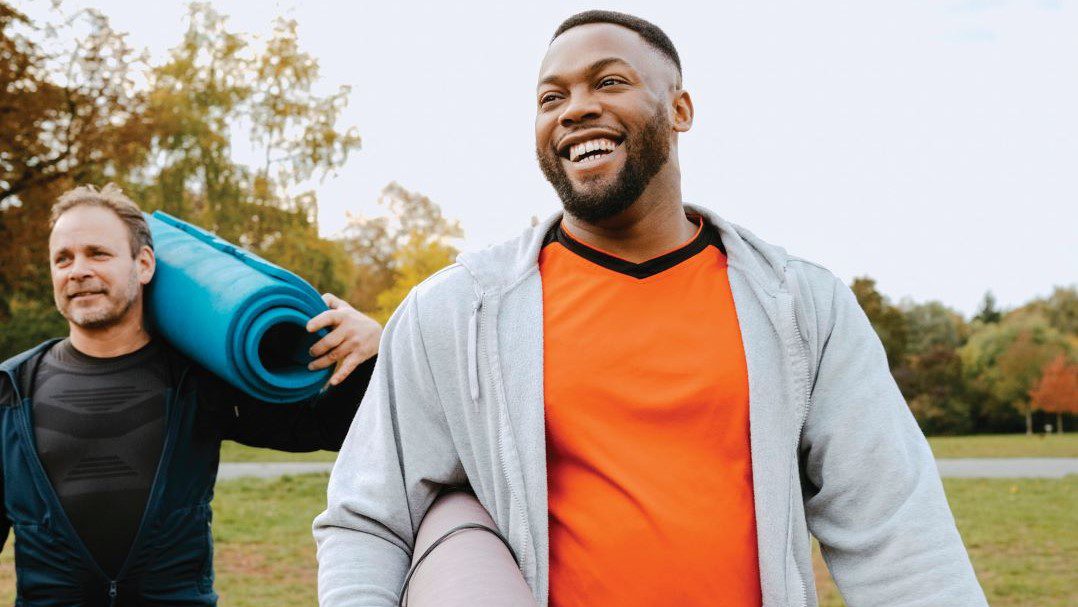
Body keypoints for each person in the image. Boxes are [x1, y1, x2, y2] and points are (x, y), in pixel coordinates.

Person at [315, 10, 987, 607]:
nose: (575, 108)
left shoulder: (802, 306)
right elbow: (370, 518)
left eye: (608, 82)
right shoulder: (455, 312)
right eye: (553, 96)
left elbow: (896, 525)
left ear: (680, 108)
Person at [0, 184, 381, 605]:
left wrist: (369, 351)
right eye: (63, 259)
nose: (78, 270)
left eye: (98, 253)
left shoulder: (198, 380)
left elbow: (323, 428)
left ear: (143, 264)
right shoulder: (11, 390)